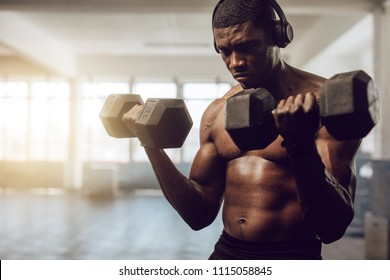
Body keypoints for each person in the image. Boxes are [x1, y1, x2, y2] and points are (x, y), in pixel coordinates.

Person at [122, 0, 360, 260]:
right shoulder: (216, 113)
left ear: (278, 36)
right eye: (224, 51)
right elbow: (198, 215)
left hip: (292, 255)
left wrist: (300, 144)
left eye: (247, 46)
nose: (235, 62)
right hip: (227, 253)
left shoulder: (326, 104)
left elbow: (331, 227)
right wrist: (150, 144)